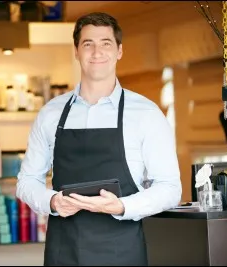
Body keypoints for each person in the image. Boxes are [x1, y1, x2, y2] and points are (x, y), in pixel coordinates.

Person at [16, 12, 182, 266]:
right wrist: (52, 201)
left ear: (119, 51)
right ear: (76, 51)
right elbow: (26, 181)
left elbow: (170, 188)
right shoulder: (51, 113)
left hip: (121, 251)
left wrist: (122, 206)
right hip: (64, 251)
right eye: (88, 44)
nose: (97, 52)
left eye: (106, 43)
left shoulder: (146, 114)